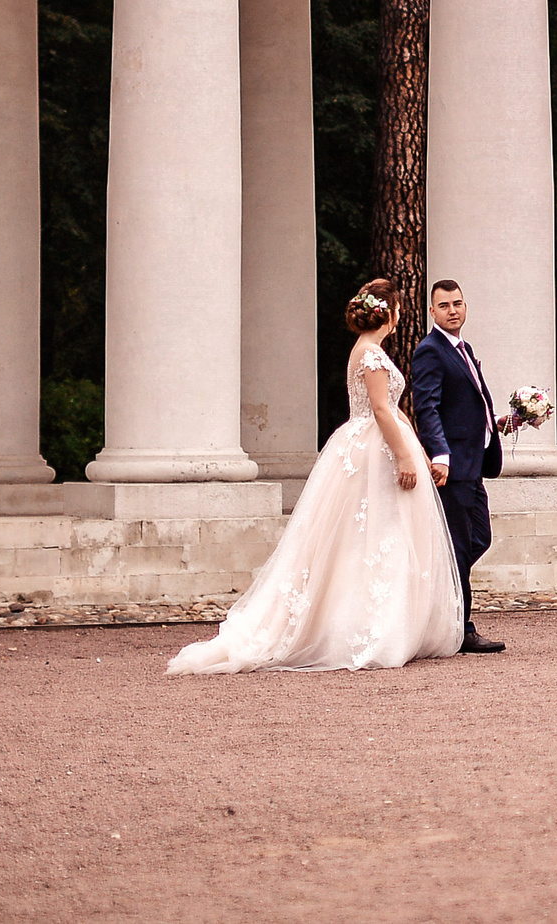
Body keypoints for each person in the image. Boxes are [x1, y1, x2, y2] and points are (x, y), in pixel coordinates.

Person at [166, 280, 462, 675]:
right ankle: (365, 628)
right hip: (374, 449)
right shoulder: (371, 354)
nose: (399, 315)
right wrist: (405, 456)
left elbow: (394, 409)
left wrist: (420, 452)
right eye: (397, 309)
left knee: (383, 533)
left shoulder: (370, 351)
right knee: (372, 535)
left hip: (377, 443)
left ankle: (395, 624)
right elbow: (380, 409)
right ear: (387, 313)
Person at [412, 278, 507, 655]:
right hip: (452, 468)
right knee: (460, 546)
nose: (452, 311)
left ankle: (442, 610)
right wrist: (440, 454)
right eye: (444, 305)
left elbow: (467, 407)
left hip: (474, 463)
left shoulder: (464, 348)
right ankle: (461, 628)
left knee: (477, 539)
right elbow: (427, 408)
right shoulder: (430, 351)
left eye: (457, 304)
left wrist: (497, 424)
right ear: (432, 311)